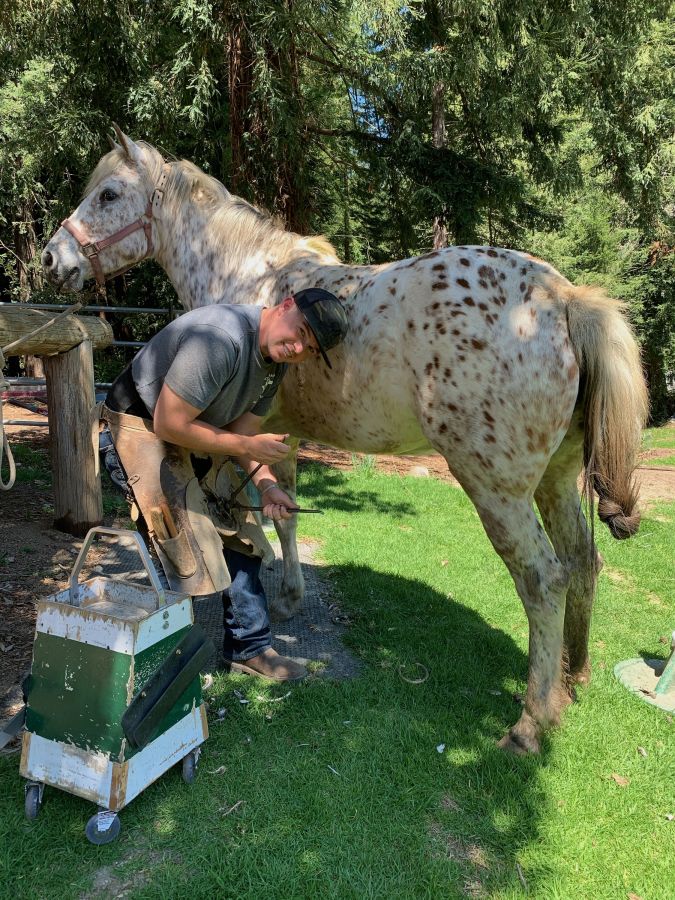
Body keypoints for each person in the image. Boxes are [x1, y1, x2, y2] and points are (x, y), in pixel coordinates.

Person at [101, 288, 348, 681]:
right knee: (181, 543)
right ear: (285, 305)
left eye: (309, 348)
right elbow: (170, 423)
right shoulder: (221, 337)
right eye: (300, 331)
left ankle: (250, 649)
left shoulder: (274, 363)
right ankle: (163, 660)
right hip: (140, 431)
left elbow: (242, 433)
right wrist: (245, 445)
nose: (298, 347)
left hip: (191, 434)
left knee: (241, 532)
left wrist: (267, 486)